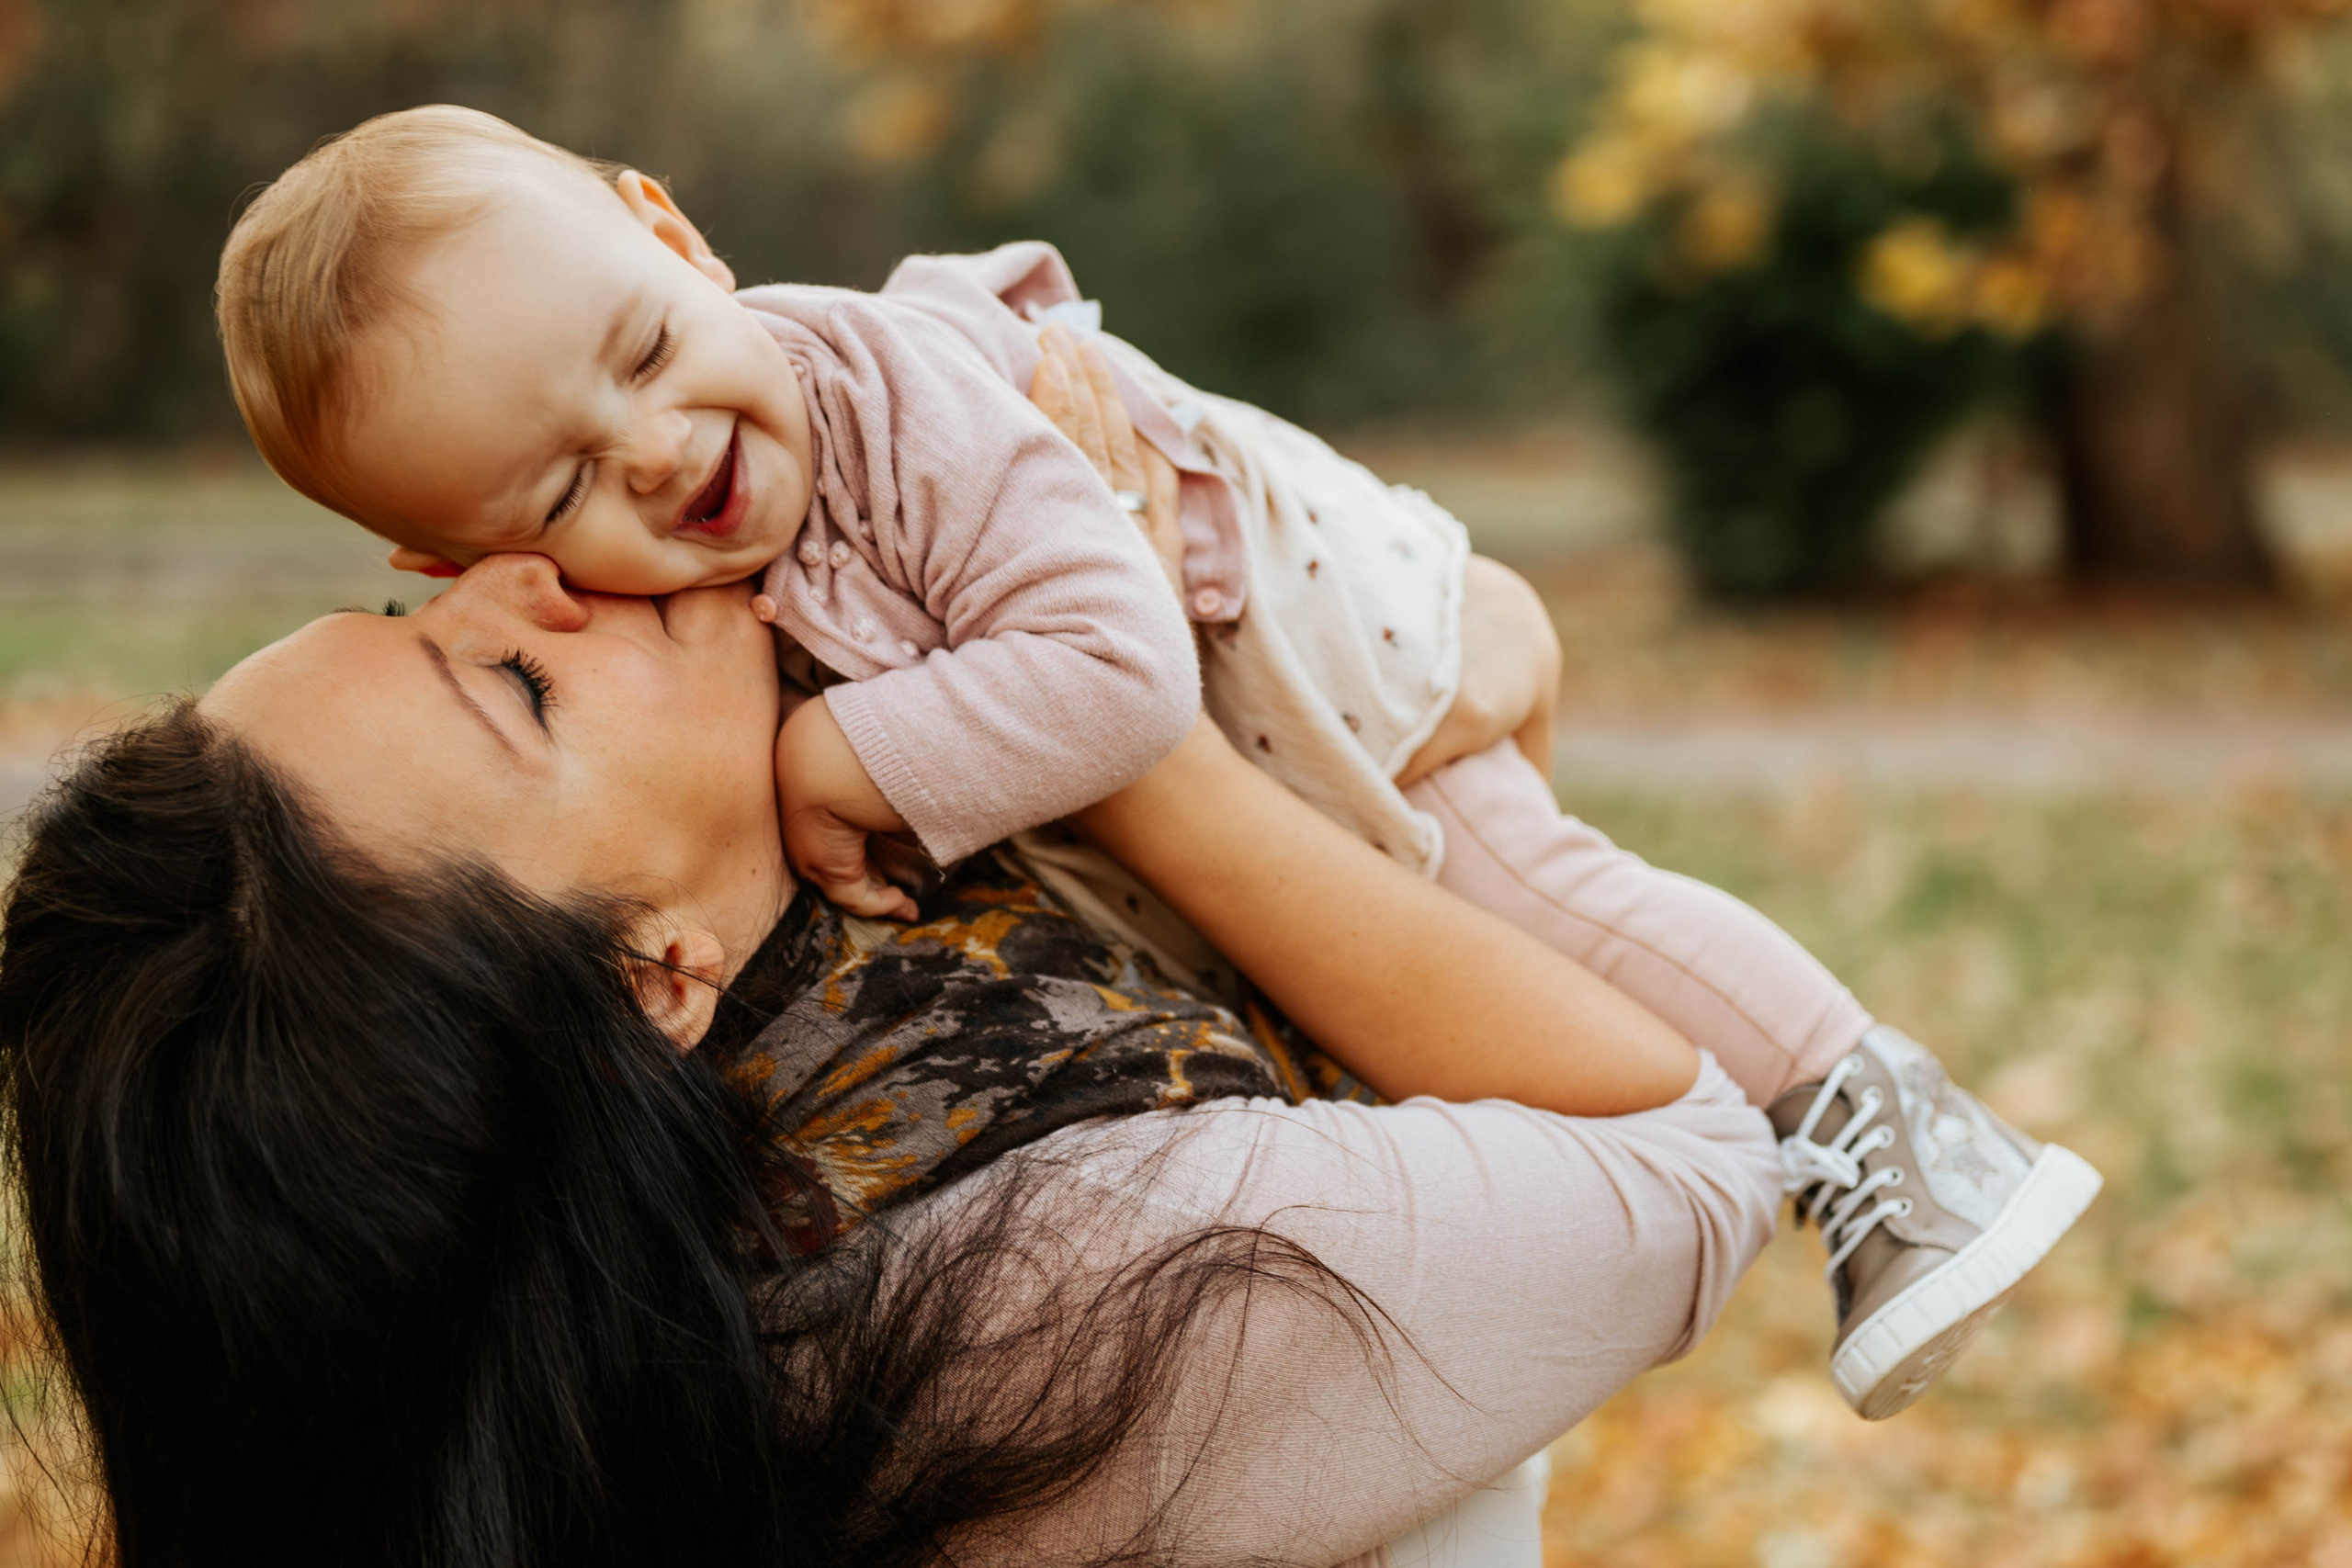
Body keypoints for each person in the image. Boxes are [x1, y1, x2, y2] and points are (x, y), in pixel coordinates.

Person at [208, 104, 2097, 1416]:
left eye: (641, 342)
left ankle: (1884, 1120)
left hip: (1283, 634)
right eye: (560, 480)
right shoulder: (701, 584)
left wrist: (837, 755)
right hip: (1240, 702)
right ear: (471, 560)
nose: (652, 445)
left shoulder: (890, 389)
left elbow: (1109, 683)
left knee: (1524, 882)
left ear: (673, 230)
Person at [4, 549, 1773, 1566]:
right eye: (517, 688)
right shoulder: (1078, 1271)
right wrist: (1117, 718)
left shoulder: (609, 1297)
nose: (517, 576)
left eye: (403, 613)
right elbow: (1696, 1151)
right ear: (649, 976)